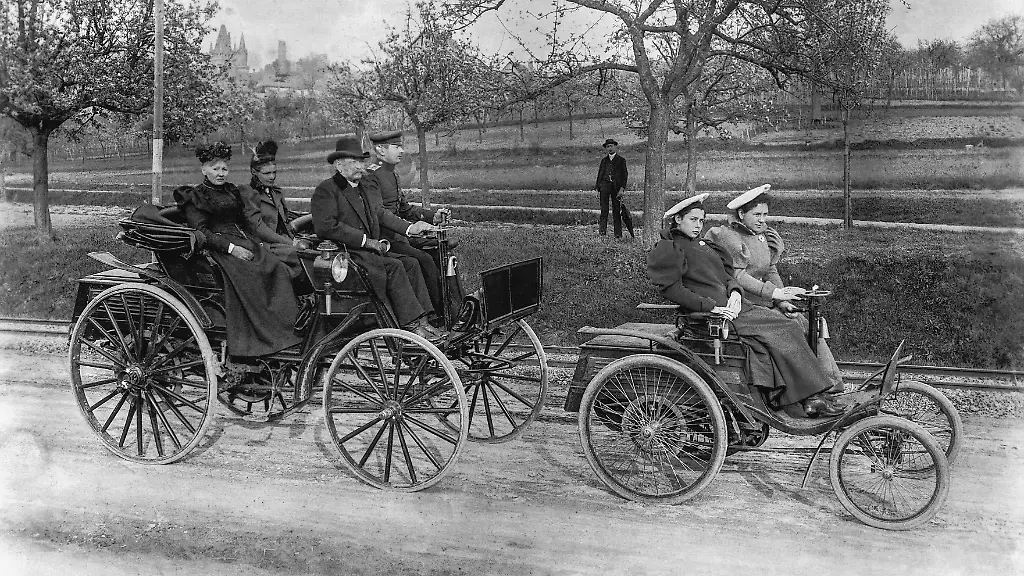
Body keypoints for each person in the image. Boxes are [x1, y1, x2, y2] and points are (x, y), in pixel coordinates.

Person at [647, 193, 842, 418]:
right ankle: (811, 397)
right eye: (693, 220)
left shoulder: (704, 244)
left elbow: (728, 276)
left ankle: (804, 394)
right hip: (714, 317)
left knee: (788, 324)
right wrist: (710, 307)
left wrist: (736, 293)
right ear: (678, 220)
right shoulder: (670, 248)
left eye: (701, 220)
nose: (698, 226)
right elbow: (672, 289)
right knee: (785, 327)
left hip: (735, 308)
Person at [705, 184, 843, 391]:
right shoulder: (728, 237)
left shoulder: (762, 236)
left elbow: (771, 270)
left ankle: (831, 383)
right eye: (757, 214)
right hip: (742, 303)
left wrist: (783, 301)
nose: (762, 219)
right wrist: (774, 293)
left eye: (765, 214)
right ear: (741, 214)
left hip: (765, 301)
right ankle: (804, 389)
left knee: (806, 323)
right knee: (791, 328)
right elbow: (738, 276)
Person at [173, 142, 301, 357]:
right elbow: (202, 232)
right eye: (215, 168)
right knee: (255, 274)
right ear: (203, 169)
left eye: (224, 169)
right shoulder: (196, 196)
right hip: (219, 249)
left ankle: (284, 330)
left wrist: (257, 243)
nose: (220, 173)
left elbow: (243, 224)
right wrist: (232, 249)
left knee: (276, 267)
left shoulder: (232, 191)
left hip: (244, 242)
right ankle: (257, 338)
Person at [310, 137, 442, 342]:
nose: (359, 166)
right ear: (338, 165)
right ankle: (411, 326)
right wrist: (366, 241)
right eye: (353, 162)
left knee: (411, 263)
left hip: (368, 251)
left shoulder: (362, 188)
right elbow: (326, 226)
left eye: (361, 161)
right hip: (348, 254)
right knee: (395, 266)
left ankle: (424, 321)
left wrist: (409, 229)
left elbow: (380, 215)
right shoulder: (327, 190)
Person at [361, 131, 445, 316]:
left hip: (399, 236)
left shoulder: (392, 174)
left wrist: (432, 217)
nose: (401, 151)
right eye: (397, 147)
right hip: (383, 239)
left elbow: (404, 208)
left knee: (441, 250)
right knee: (423, 260)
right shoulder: (370, 176)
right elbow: (379, 214)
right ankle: (436, 316)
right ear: (381, 150)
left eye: (401, 146)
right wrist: (409, 228)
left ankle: (454, 308)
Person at [238, 140, 304, 277]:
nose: (272, 177)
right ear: (253, 172)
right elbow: (258, 228)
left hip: (283, 241)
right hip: (264, 246)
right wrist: (290, 242)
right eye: (267, 173)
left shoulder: (276, 192)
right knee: (302, 259)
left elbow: (285, 221)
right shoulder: (248, 193)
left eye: (274, 172)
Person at [595, 138, 627, 238]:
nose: (610, 148)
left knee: (616, 211)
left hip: (616, 188)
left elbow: (624, 175)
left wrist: (622, 189)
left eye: (611, 146)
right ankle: (602, 233)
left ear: (616, 147)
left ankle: (618, 234)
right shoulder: (604, 161)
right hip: (604, 187)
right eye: (608, 146)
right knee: (604, 211)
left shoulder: (621, 160)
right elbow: (600, 174)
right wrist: (597, 188)